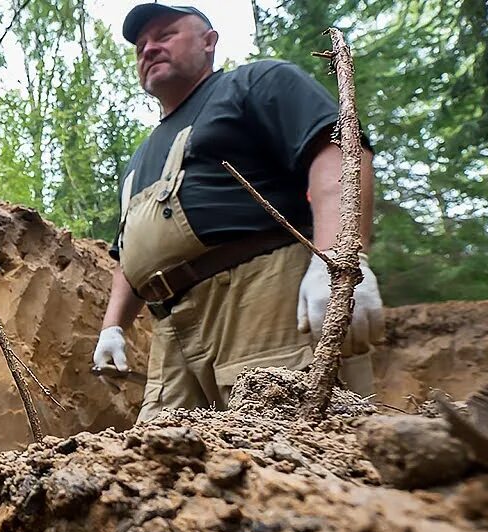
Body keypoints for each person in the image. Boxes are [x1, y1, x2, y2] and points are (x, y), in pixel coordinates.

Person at [92, 4, 384, 422]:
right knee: (161, 466)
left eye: (166, 35)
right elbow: (126, 254)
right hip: (171, 331)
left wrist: (339, 261)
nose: (149, 49)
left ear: (209, 42)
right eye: (141, 46)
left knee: (294, 444)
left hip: (261, 299)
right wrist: (112, 327)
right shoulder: (140, 158)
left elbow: (337, 150)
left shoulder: (255, 82)